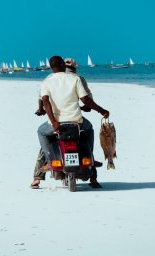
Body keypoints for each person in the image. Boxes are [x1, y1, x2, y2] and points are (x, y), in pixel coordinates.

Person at [31, 56, 109, 189]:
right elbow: (86, 99)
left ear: (50, 67)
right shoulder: (77, 79)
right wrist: (101, 110)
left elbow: (44, 101)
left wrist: (53, 121)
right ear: (64, 65)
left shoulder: (47, 80)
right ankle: (91, 162)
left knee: (43, 134)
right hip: (76, 122)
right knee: (88, 130)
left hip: (56, 124)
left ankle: (40, 174)